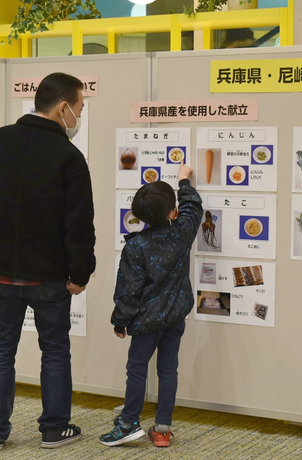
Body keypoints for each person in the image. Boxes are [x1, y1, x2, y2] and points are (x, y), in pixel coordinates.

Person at [0, 72, 96, 451]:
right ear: (63, 108)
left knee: (0, 348)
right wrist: (79, 273)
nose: (79, 116)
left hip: (1, 273)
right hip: (51, 278)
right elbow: (78, 224)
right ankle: (54, 430)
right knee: (54, 349)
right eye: (80, 108)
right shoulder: (69, 157)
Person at [100, 164, 203, 448]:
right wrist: (184, 182)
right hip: (175, 316)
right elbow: (193, 207)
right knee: (168, 370)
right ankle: (162, 429)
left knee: (137, 369)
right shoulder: (182, 232)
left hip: (146, 321)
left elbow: (127, 291)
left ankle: (128, 422)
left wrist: (120, 321)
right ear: (173, 213)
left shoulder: (136, 246)